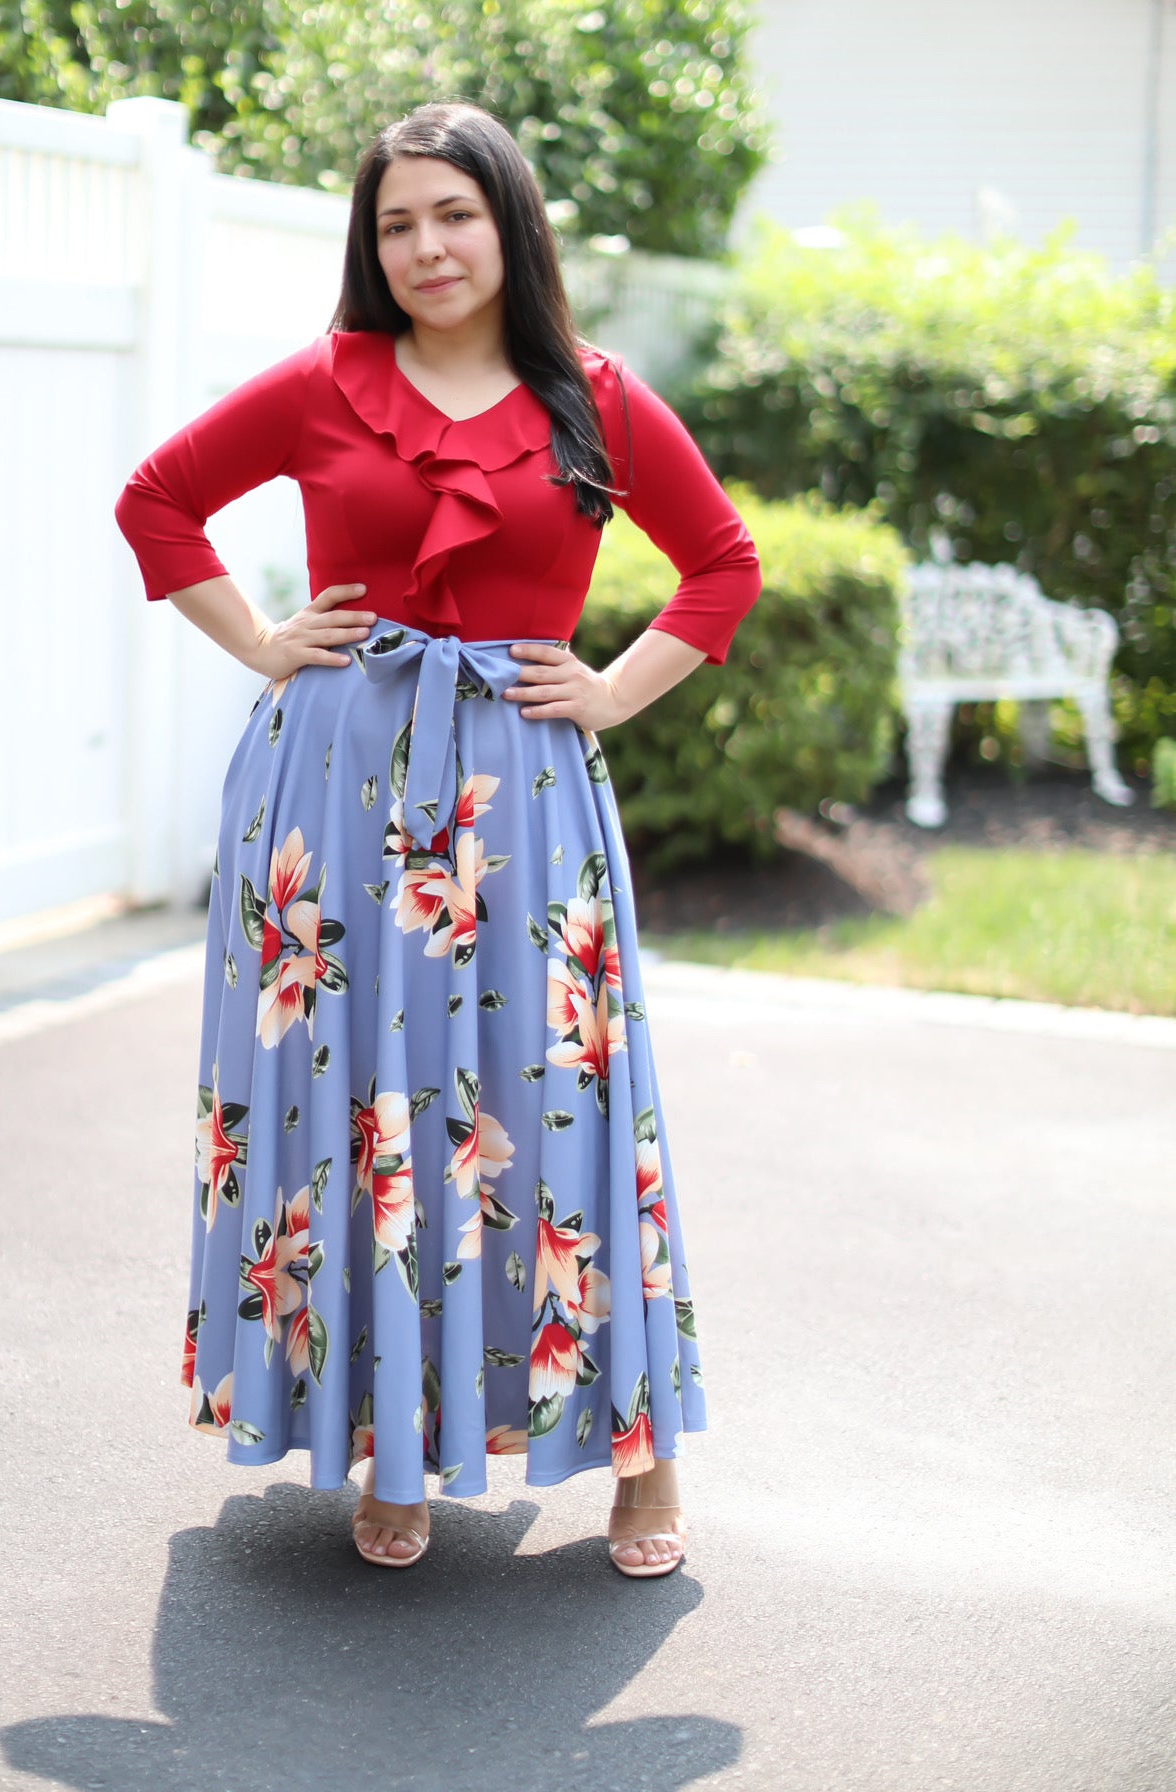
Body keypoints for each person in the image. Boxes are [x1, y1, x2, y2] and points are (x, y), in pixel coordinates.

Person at [114, 99, 761, 1577]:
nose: (425, 246)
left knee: (559, 1111)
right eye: (396, 222)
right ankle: (385, 1440)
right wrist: (265, 642)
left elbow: (721, 565)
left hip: (521, 803)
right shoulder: (322, 383)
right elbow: (156, 503)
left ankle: (641, 1464)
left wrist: (606, 691)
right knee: (357, 1112)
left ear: (507, 224)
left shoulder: (590, 395)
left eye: (452, 215)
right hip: (329, 799)